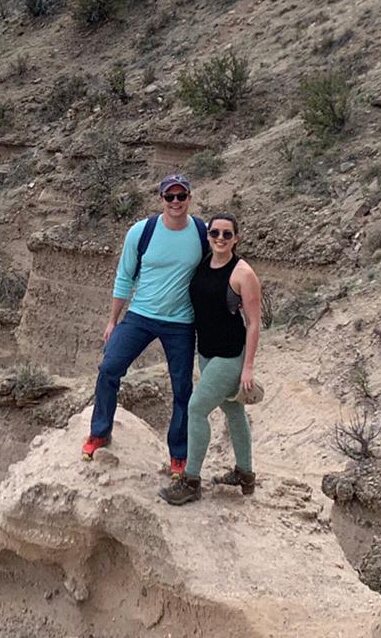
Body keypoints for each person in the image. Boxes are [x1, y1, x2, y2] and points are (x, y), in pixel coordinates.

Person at [84, 173, 207, 474]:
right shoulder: (142, 231)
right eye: (170, 196)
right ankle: (100, 432)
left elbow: (216, 269)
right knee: (109, 368)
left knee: (181, 388)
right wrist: (113, 320)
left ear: (190, 198)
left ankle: (179, 454)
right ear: (161, 199)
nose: (175, 202)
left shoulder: (202, 232)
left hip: (181, 322)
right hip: (140, 316)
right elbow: (124, 276)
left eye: (181, 196)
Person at [161, 210, 260, 506]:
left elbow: (254, 322)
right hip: (205, 351)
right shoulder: (204, 263)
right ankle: (245, 473)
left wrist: (248, 367)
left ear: (236, 239)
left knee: (196, 409)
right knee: (233, 411)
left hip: (230, 355)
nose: (220, 238)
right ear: (208, 236)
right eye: (215, 233)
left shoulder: (243, 273)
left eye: (227, 234)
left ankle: (191, 480)